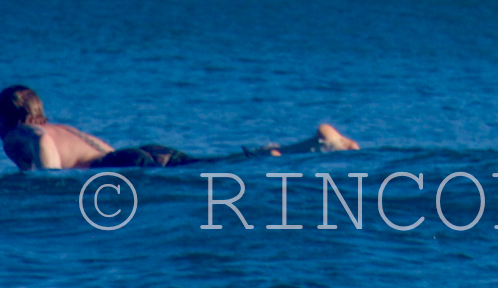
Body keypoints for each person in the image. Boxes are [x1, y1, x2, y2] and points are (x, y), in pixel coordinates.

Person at [1, 84, 358, 171]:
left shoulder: (22, 133)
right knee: (215, 164)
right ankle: (312, 145)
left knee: (215, 166)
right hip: (135, 153)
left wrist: (48, 187)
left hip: (122, 164)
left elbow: (39, 139)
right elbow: (97, 145)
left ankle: (312, 146)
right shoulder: (66, 128)